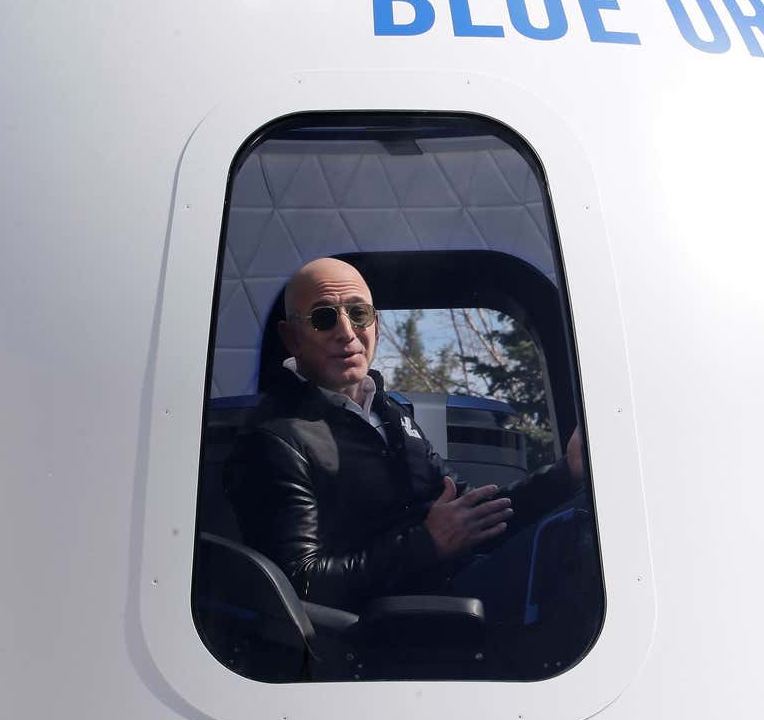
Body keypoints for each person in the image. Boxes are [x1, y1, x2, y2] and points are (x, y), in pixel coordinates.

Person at [223, 257, 585, 613]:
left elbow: (477, 515)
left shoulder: (391, 413)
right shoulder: (274, 439)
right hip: (393, 629)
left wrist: (566, 473)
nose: (347, 332)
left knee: (582, 522)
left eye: (359, 314)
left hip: (454, 593)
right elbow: (296, 582)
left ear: (376, 326)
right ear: (292, 338)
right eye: (324, 318)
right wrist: (427, 544)